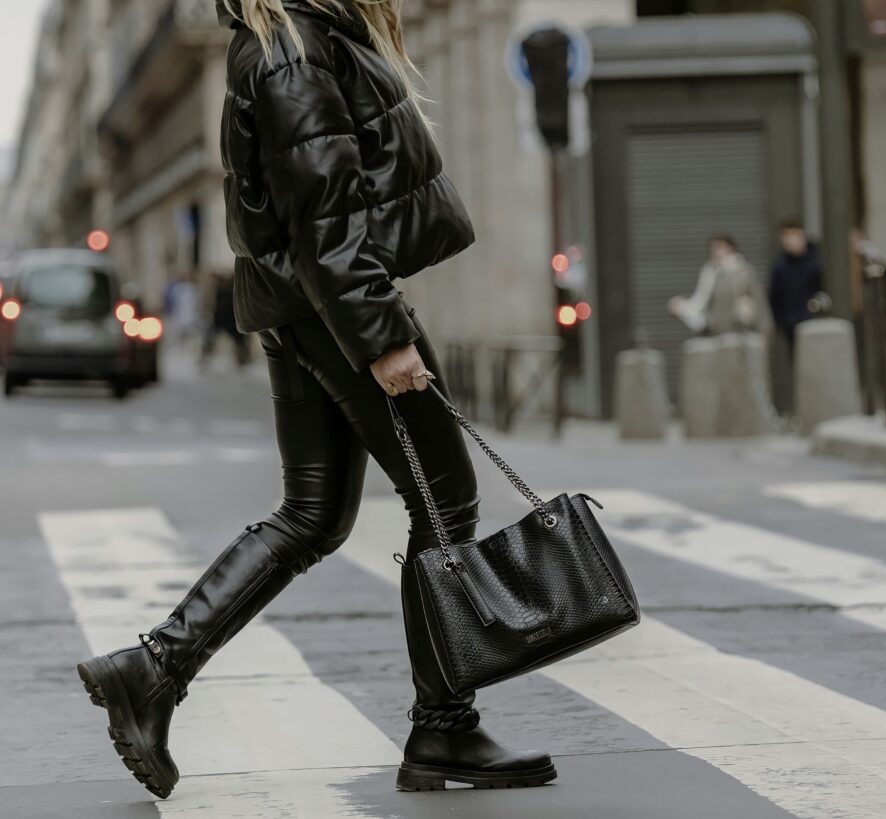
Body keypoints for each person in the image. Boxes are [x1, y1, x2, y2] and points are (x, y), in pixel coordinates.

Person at [76, 0, 554, 800]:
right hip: (337, 308)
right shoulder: (293, 52)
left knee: (314, 513)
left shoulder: (289, 39)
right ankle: (445, 725)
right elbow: (323, 217)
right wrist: (382, 337)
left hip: (304, 308)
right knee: (445, 497)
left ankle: (153, 669)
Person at [668, 235, 771, 336]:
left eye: (721, 247)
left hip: (742, 331)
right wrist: (682, 306)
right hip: (717, 331)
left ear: (731, 248)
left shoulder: (744, 271)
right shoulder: (709, 273)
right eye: (713, 248)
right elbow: (700, 301)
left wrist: (765, 328)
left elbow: (759, 300)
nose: (716, 252)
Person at [768, 220, 824, 360]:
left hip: (813, 322)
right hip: (790, 324)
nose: (789, 240)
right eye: (785, 236)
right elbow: (775, 297)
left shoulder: (815, 262)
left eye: (793, 234)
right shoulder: (779, 266)